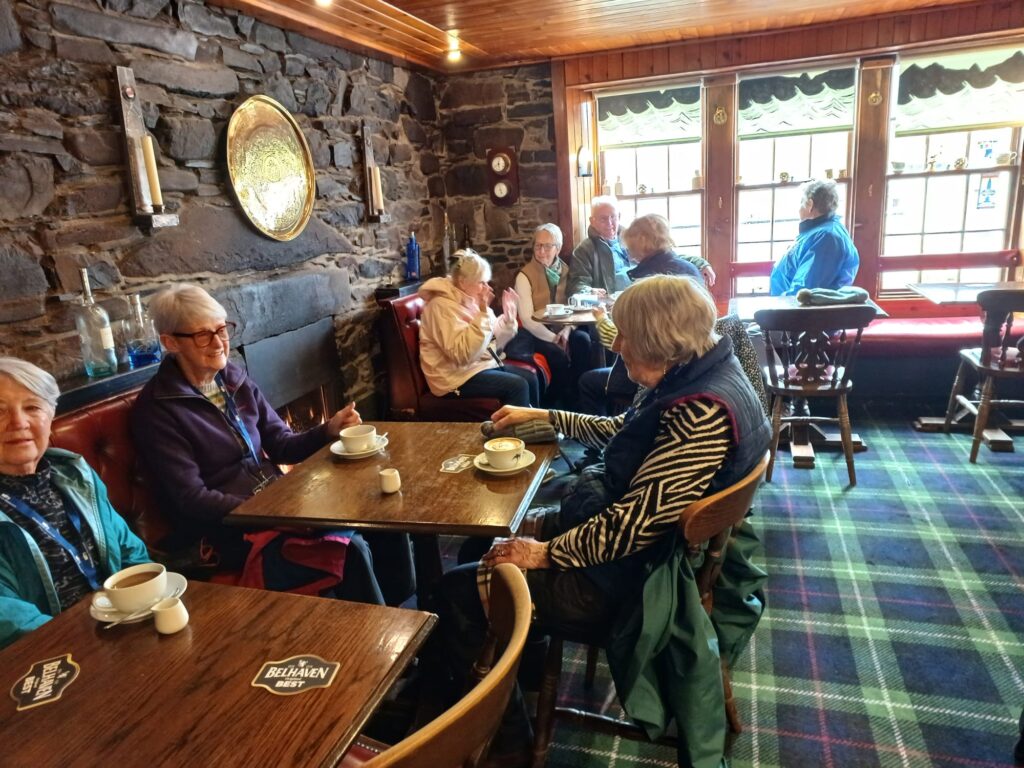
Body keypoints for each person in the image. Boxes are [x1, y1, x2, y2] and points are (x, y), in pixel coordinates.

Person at [434, 276, 771, 768]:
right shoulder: (703, 370)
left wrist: (546, 553)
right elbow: (625, 431)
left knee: (454, 593)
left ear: (660, 340)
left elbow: (634, 525)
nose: (619, 346)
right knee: (478, 545)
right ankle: (523, 665)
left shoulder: (700, 413)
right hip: (638, 550)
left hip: (635, 580)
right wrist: (546, 416)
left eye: (627, 335)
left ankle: (505, 742)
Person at [130, 284, 412, 606]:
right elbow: (192, 498)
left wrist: (328, 430)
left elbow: (281, 444)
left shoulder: (232, 379)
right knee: (349, 549)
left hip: (279, 505)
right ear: (170, 342)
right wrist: (265, 510)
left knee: (381, 515)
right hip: (229, 533)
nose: (219, 342)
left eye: (222, 329)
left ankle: (409, 614)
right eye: (202, 335)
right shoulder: (158, 410)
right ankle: (379, 634)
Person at [0, 357, 151, 648]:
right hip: (51, 654)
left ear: (50, 417)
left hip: (118, 627)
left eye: (32, 407)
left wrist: (148, 603)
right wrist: (82, 647)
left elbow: (129, 550)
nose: (18, 422)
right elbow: (8, 619)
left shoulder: (75, 476)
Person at [576, 214, 702, 415]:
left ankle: (612, 430)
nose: (627, 249)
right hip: (689, 369)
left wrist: (601, 318)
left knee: (587, 382)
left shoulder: (650, 281)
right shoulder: (687, 268)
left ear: (642, 241)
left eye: (630, 243)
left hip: (659, 372)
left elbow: (627, 343)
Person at [419, 249, 539, 408]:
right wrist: (483, 313)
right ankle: (519, 425)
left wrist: (508, 321)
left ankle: (538, 422)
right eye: (482, 282)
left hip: (475, 367)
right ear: (463, 281)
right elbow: (462, 354)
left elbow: (493, 344)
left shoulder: (470, 299)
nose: (487, 288)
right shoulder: (440, 306)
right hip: (452, 378)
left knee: (530, 378)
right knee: (518, 386)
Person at [507, 223, 591, 405]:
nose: (541, 251)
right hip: (535, 332)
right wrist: (554, 339)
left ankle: (580, 397)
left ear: (558, 249)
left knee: (583, 341)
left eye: (547, 246)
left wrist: (567, 330)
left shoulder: (567, 271)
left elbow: (574, 307)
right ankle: (556, 402)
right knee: (557, 354)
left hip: (563, 327)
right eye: (538, 245)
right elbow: (527, 319)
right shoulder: (524, 276)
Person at [770, 178, 860, 296]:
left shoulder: (826, 238)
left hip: (792, 306)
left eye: (801, 203)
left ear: (810, 204)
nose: (799, 209)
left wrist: (778, 305)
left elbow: (804, 293)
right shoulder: (822, 232)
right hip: (785, 303)